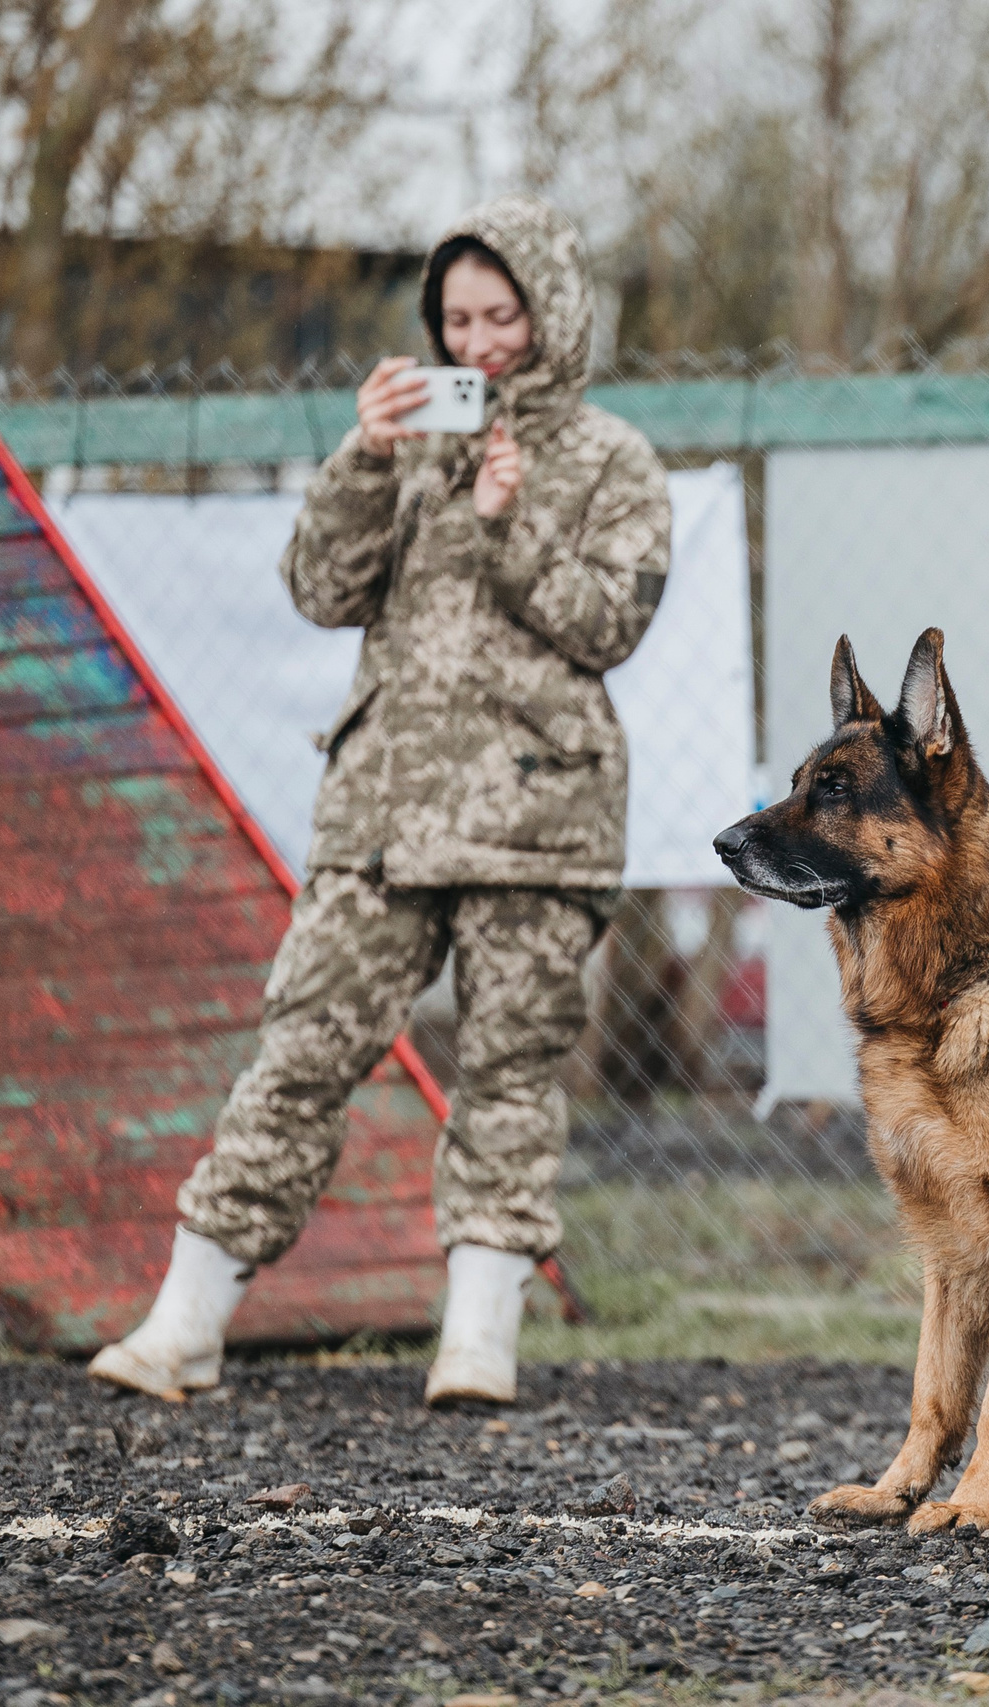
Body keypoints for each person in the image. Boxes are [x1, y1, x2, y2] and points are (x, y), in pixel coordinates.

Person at [89, 195, 670, 1407]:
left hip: (536, 823)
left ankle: (477, 1343)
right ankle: (185, 1323)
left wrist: (510, 529)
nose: (478, 344)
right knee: (300, 1049)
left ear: (554, 312)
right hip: (382, 819)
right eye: (457, 320)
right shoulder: (402, 448)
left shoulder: (612, 460)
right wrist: (364, 459)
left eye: (503, 316)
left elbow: (608, 623)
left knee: (509, 1074)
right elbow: (319, 588)